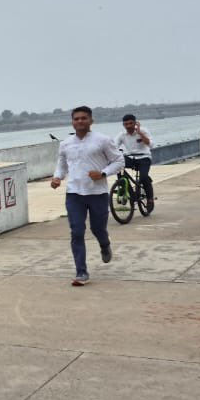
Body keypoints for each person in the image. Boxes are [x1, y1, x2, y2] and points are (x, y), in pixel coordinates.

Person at [51, 106, 123, 286]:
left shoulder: (103, 140)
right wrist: (57, 177)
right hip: (74, 194)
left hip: (97, 193)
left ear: (91, 120)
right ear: (72, 121)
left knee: (98, 229)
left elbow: (119, 160)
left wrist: (104, 173)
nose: (80, 121)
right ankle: (81, 272)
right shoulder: (66, 143)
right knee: (76, 231)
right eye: (76, 119)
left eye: (84, 118)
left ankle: (104, 244)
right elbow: (62, 164)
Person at [114, 114, 154, 209]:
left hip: (144, 157)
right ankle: (126, 189)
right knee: (118, 165)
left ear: (135, 123)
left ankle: (150, 199)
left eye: (131, 123)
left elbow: (151, 145)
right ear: (123, 125)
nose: (128, 126)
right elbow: (113, 146)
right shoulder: (122, 135)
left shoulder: (143, 131)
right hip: (130, 157)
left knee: (144, 177)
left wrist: (140, 133)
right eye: (126, 124)